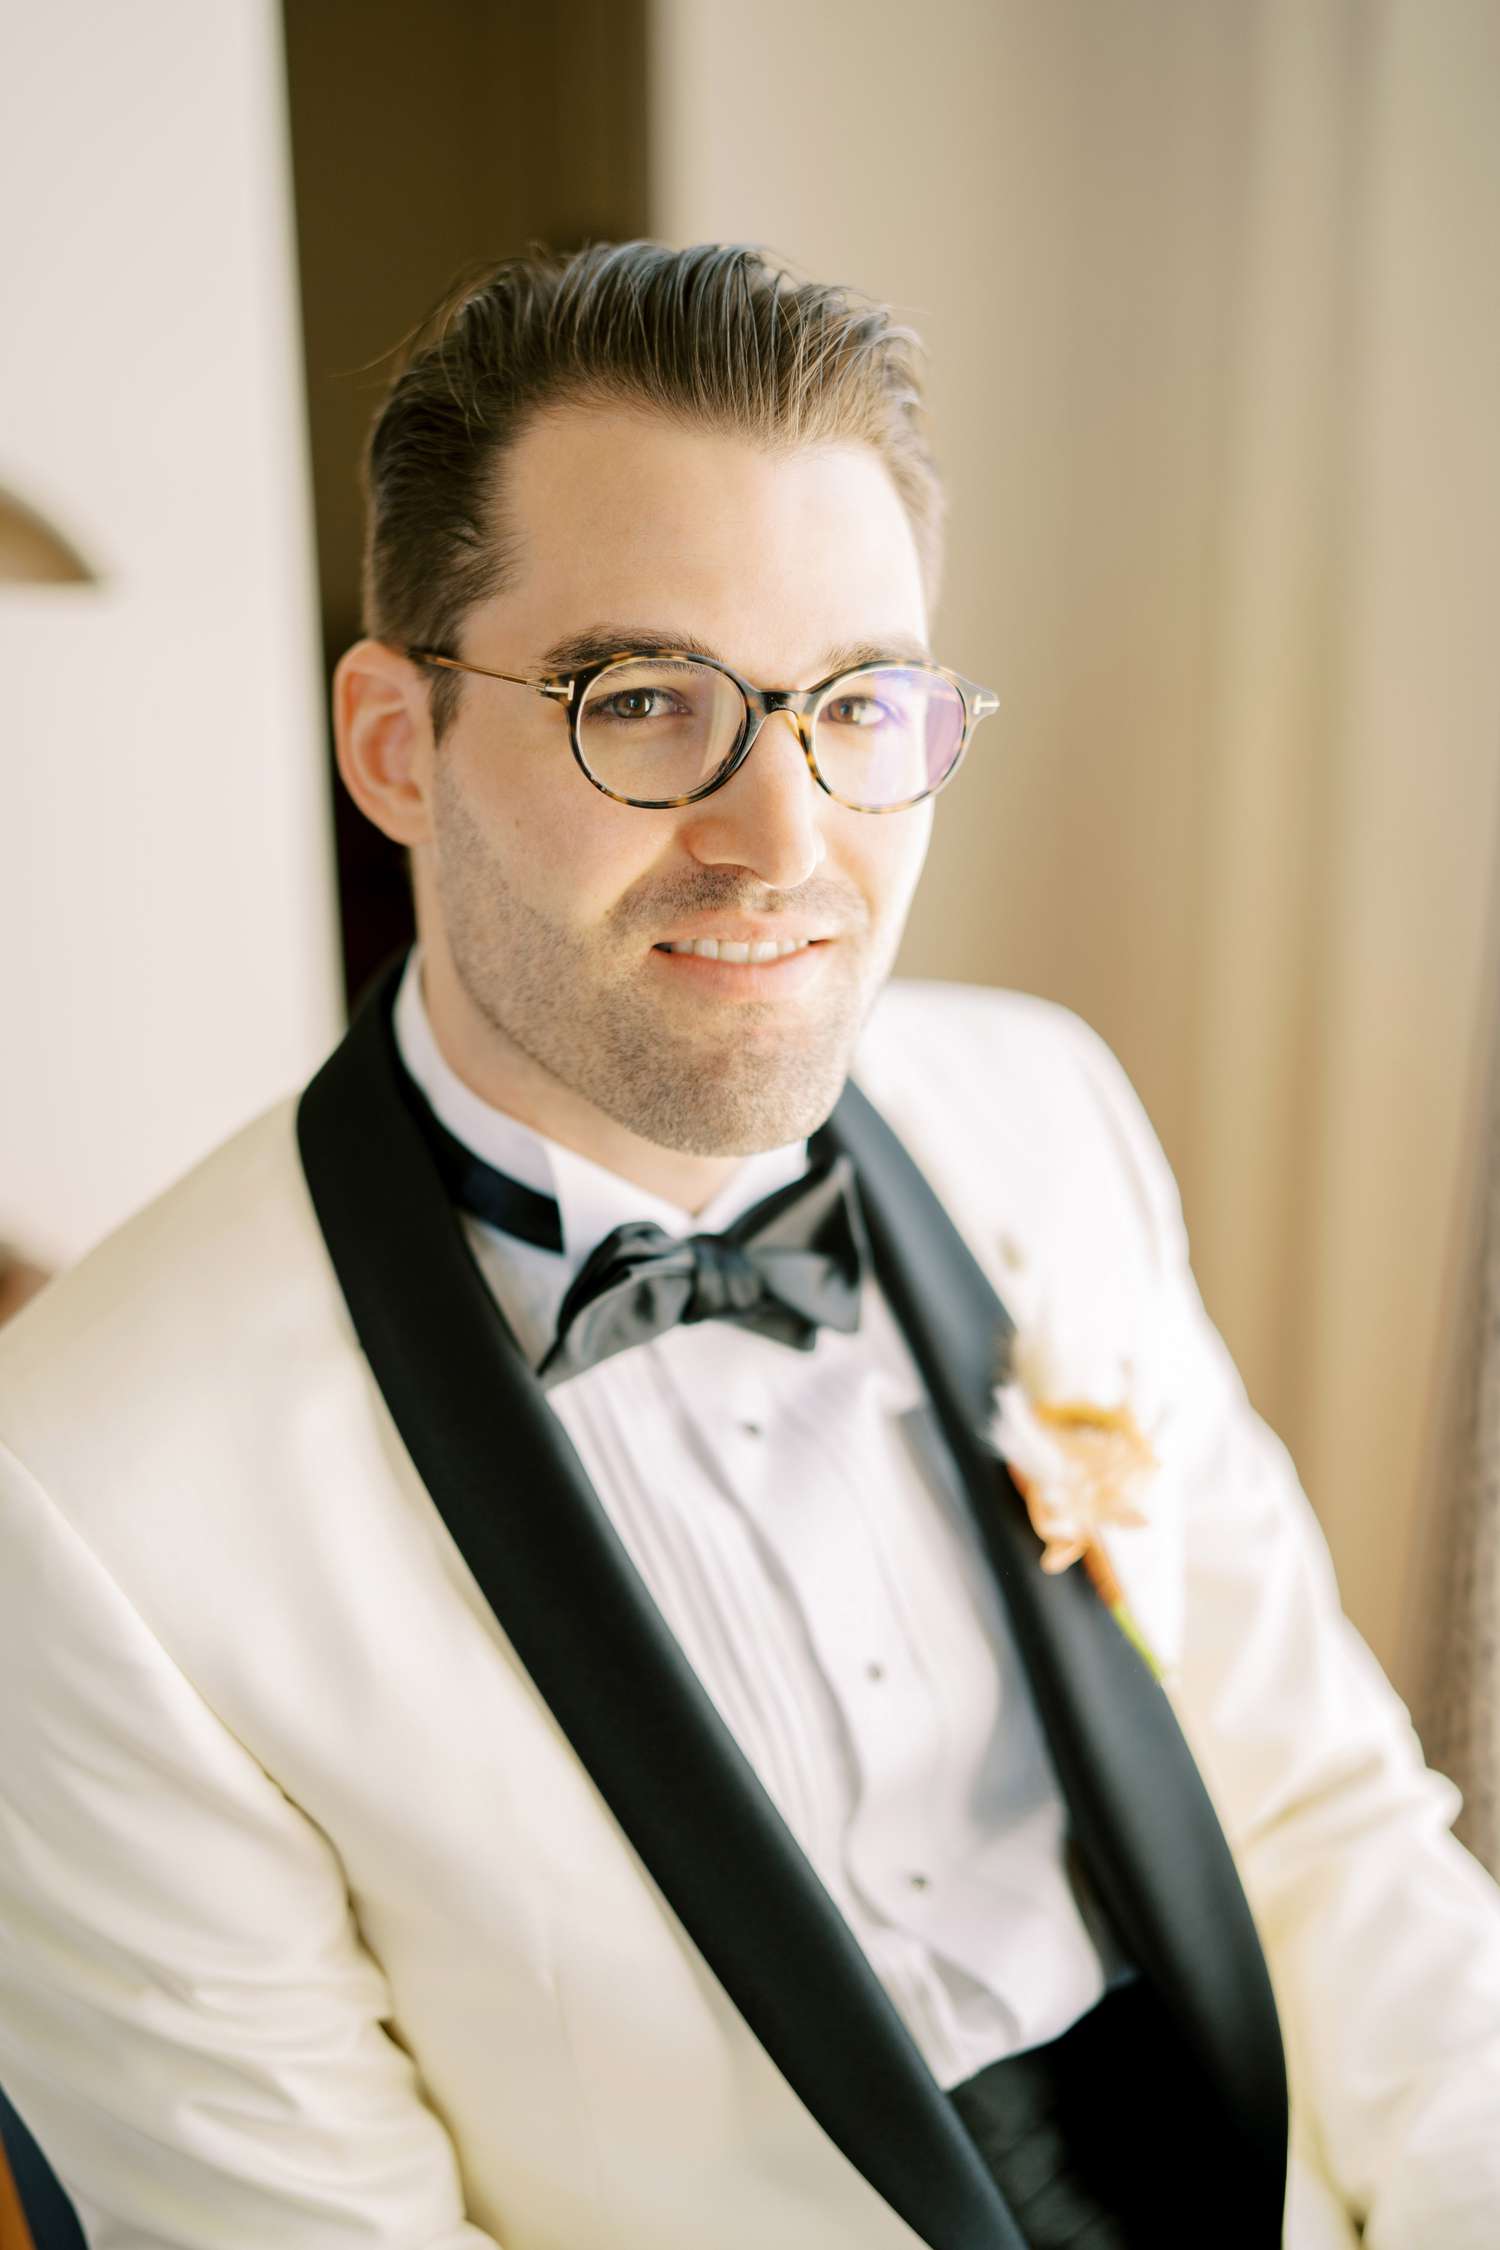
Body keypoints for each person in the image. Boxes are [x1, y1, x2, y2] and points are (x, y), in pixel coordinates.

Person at [0, 240, 1497, 2250]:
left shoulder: (1043, 1115)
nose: (785, 842)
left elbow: (1320, 1814)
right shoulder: (80, 1500)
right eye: (644, 703)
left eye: (859, 705)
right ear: (393, 745)